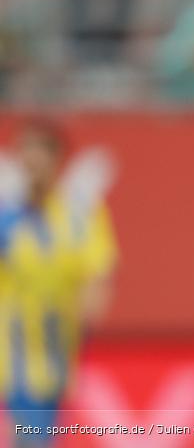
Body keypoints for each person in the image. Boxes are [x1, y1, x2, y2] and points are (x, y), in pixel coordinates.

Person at [0, 120, 118, 447]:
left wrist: (88, 309)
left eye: (40, 154)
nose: (32, 165)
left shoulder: (79, 217)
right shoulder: (5, 216)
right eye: (25, 154)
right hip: (12, 352)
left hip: (58, 350)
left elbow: (98, 271)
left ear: (57, 161)